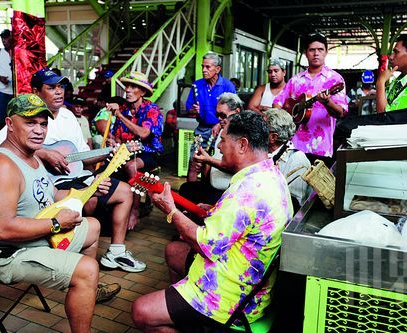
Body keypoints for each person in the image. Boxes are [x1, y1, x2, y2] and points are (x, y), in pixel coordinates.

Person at [132, 111, 293, 331]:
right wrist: (215, 211)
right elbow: (243, 223)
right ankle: (183, 315)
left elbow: (204, 243)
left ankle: (190, 318)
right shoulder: (271, 175)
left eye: (224, 140)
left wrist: (171, 210)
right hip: (252, 282)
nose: (218, 147)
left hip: (231, 297)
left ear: (242, 145)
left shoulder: (248, 191)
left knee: (141, 311)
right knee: (173, 251)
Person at [0, 94, 120, 333]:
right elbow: (0, 230)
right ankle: (85, 286)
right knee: (87, 270)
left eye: (43, 124)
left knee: (93, 226)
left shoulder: (32, 157)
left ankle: (86, 292)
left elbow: (54, 196)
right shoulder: (1, 166)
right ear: (10, 125)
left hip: (39, 238)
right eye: (30, 123)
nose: (39, 130)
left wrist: (89, 192)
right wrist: (55, 224)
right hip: (12, 255)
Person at [0, 68, 145, 273]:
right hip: (56, 182)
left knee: (125, 191)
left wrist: (113, 153)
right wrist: (43, 154)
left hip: (77, 175)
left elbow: (83, 154)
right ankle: (70, 259)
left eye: (60, 87)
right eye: (51, 87)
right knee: (88, 202)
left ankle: (115, 252)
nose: (59, 92)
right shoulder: (23, 118)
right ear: (36, 92)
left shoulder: (69, 117)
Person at [273, 33, 347, 162]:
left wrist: (327, 102)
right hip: (293, 145)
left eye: (320, 50)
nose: (316, 53)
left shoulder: (335, 79)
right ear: (306, 53)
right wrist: (282, 122)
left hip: (321, 146)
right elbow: (277, 102)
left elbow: (341, 112)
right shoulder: (295, 80)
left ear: (326, 52)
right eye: (312, 50)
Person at [106, 71, 163, 231]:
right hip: (126, 151)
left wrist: (120, 116)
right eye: (127, 87)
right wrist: (113, 141)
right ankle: (111, 209)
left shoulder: (152, 109)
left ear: (142, 92)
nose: (128, 90)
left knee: (131, 166)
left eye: (133, 87)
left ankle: (134, 210)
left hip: (149, 153)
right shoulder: (123, 109)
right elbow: (117, 136)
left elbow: (143, 133)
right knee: (107, 164)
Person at [179, 93, 243, 206]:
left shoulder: (242, 135)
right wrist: (201, 164)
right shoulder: (222, 128)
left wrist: (208, 160)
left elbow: (236, 168)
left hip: (230, 194)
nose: (219, 119)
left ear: (237, 112)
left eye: (223, 115)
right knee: (186, 189)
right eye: (217, 115)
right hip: (212, 186)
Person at [185, 52, 236, 147]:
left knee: (217, 160)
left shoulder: (227, 86)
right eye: (202, 67)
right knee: (194, 159)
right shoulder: (197, 85)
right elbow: (189, 108)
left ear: (217, 69)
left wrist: (219, 125)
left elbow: (234, 112)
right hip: (202, 129)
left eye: (207, 67)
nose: (204, 70)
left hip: (223, 130)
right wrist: (194, 110)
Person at [264, 108, 311, 210]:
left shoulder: (297, 159)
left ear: (273, 137)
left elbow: (295, 203)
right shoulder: (263, 153)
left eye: (262, 129)